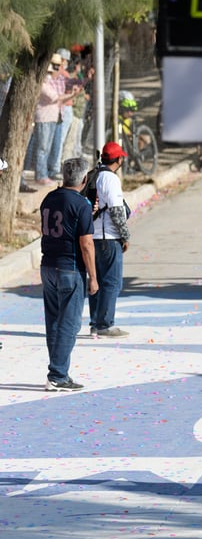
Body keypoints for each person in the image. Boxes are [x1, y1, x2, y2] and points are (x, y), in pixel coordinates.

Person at [39, 157, 99, 392]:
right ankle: (58, 374)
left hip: (48, 265)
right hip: (70, 268)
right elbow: (86, 243)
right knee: (69, 323)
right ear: (84, 179)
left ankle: (57, 367)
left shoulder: (48, 198)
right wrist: (93, 277)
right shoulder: (81, 204)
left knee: (53, 320)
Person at [87, 141, 131, 338]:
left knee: (96, 280)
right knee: (111, 282)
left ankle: (96, 322)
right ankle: (105, 324)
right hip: (108, 237)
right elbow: (116, 210)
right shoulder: (110, 179)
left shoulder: (93, 175)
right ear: (119, 159)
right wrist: (124, 235)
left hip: (92, 236)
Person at [24, 53, 81, 184]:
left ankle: (44, 174)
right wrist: (71, 94)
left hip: (52, 118)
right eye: (53, 68)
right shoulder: (42, 84)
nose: (54, 72)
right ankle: (41, 176)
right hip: (43, 119)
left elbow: (59, 99)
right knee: (42, 149)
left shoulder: (49, 82)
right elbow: (54, 97)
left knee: (47, 148)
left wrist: (72, 95)